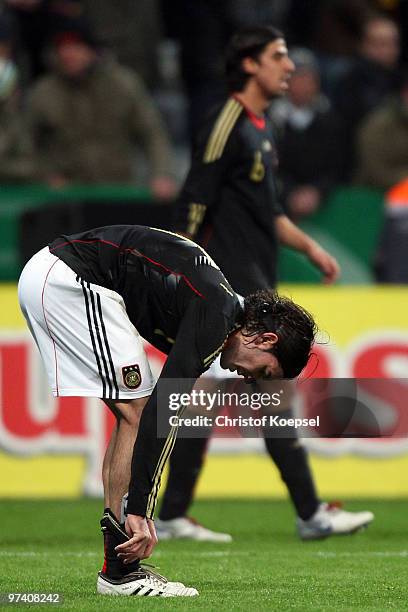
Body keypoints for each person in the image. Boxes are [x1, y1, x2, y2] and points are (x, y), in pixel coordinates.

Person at [18, 223, 317, 597]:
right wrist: (142, 509)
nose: (251, 377)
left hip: (60, 276)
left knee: (134, 411)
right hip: (69, 281)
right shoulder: (217, 315)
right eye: (264, 371)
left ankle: (119, 565)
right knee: (139, 412)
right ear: (265, 339)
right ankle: (120, 571)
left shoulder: (218, 307)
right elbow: (164, 409)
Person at [159, 25, 373, 543]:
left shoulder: (261, 126)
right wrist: (177, 272)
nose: (290, 66)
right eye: (278, 55)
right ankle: (309, 513)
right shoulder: (228, 119)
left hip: (255, 281)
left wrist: (311, 248)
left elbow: (269, 213)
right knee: (261, 396)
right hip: (228, 283)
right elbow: (194, 197)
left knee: (212, 400)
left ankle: (171, 515)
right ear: (250, 64)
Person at [27, 22, 176, 198]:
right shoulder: (43, 92)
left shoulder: (123, 84)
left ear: (92, 50)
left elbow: (152, 133)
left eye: (75, 47)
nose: (68, 54)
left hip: (119, 190)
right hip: (67, 195)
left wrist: (161, 174)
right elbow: (27, 144)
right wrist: (46, 176)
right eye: (62, 48)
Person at [270, 47, 346, 220]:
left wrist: (317, 191)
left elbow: (338, 165)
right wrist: (289, 193)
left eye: (309, 77)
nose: (304, 83)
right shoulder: (271, 120)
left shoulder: (330, 120)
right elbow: (270, 166)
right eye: (298, 77)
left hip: (322, 204)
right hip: (279, 205)